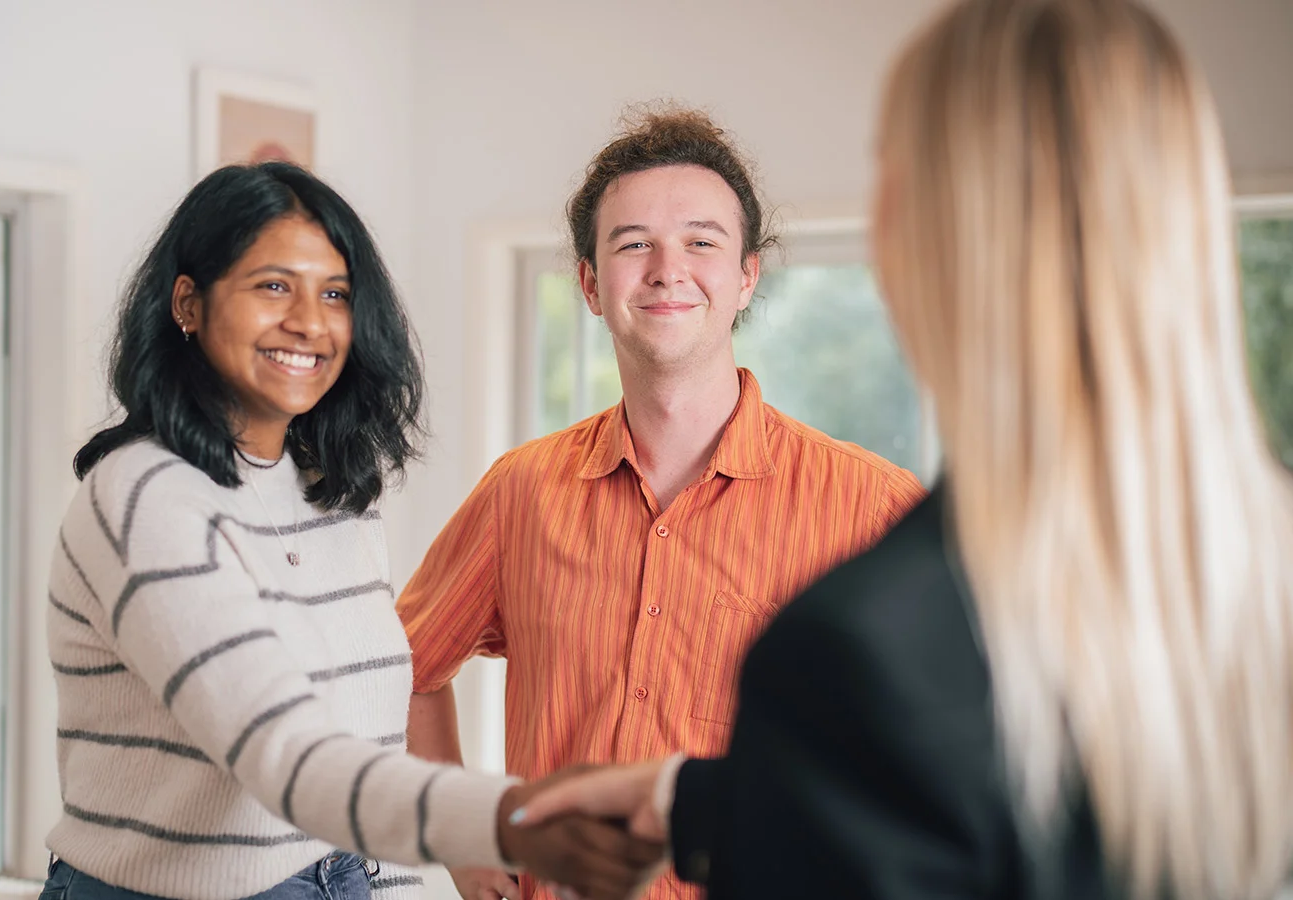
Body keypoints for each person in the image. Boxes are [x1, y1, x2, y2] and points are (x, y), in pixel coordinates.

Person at [514, 1, 1293, 898]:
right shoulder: (1247, 579)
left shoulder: (859, 650)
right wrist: (693, 798)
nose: (666, 269)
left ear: (918, 231)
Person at [38, 162, 660, 900]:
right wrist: (511, 821)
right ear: (188, 304)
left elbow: (370, 732)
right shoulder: (145, 496)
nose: (309, 320)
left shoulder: (336, 498)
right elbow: (285, 755)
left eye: (334, 293)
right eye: (273, 285)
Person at [398, 109, 926, 900]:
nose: (666, 269)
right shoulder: (520, 493)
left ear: (747, 276)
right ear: (588, 282)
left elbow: (939, 757)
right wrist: (464, 840)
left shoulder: (874, 507)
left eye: (702, 242)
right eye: (633, 242)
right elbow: (401, 665)